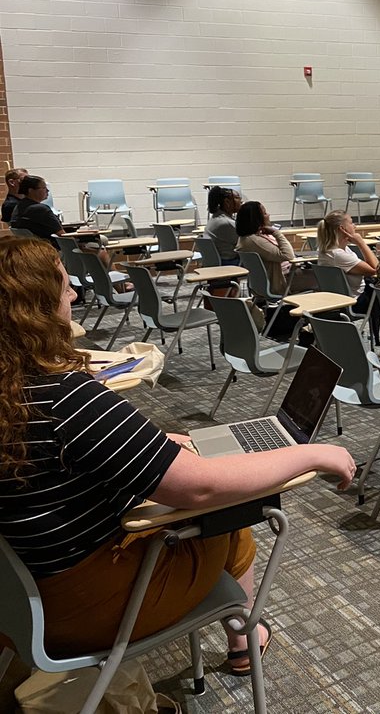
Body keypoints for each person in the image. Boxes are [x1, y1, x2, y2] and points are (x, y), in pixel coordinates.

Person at [0, 237, 356, 665]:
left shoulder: (15, 390)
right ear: (34, 307)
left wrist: (148, 447)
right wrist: (312, 454)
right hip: (84, 607)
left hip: (23, 598)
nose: (74, 294)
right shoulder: (64, 396)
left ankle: (245, 636)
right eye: (63, 286)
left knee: (210, 496)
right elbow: (200, 490)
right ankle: (244, 640)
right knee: (230, 511)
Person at [236, 201, 310, 296]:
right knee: (324, 278)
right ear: (257, 218)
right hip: (281, 282)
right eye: (265, 213)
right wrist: (277, 233)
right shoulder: (255, 241)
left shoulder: (246, 239)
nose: (268, 215)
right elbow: (288, 255)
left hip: (267, 282)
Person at [316, 210, 378, 317]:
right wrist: (360, 242)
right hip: (354, 302)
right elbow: (376, 269)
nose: (355, 226)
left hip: (342, 298)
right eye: (351, 223)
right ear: (342, 228)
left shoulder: (332, 250)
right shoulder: (337, 255)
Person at [204, 185, 242, 266]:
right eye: (237, 197)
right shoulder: (225, 222)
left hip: (219, 261)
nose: (241, 201)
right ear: (227, 202)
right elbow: (245, 242)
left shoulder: (216, 217)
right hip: (229, 263)